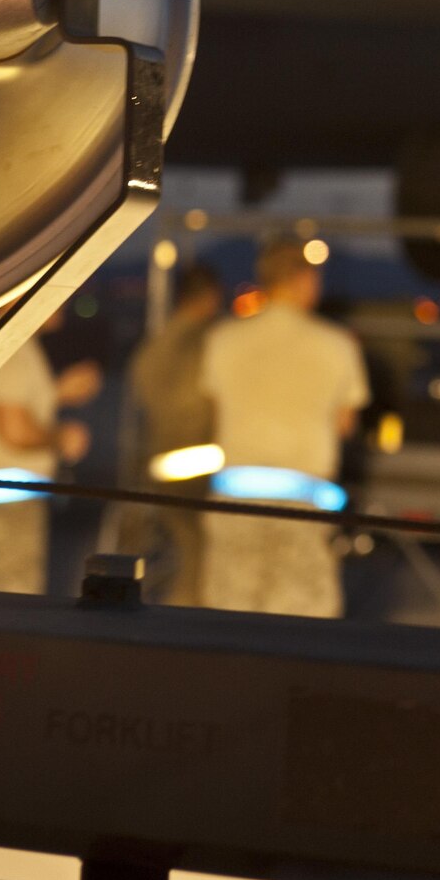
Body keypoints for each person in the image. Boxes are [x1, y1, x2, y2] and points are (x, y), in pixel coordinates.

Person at [200, 238, 369, 616]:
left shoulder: (221, 339)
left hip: (234, 496)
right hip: (304, 501)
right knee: (299, 627)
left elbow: (214, 407)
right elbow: (345, 424)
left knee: (228, 618)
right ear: (304, 280)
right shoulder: (338, 345)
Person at [0, 302, 103, 594]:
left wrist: (56, 393)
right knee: (13, 606)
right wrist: (62, 438)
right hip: (5, 505)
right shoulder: (8, 344)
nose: (64, 299)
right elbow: (14, 430)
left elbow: (2, 408)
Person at [114, 261, 224, 605]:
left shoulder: (151, 349)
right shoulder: (208, 344)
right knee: (196, 556)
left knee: (163, 553)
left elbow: (141, 400)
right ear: (208, 298)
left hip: (157, 462)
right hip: (200, 463)